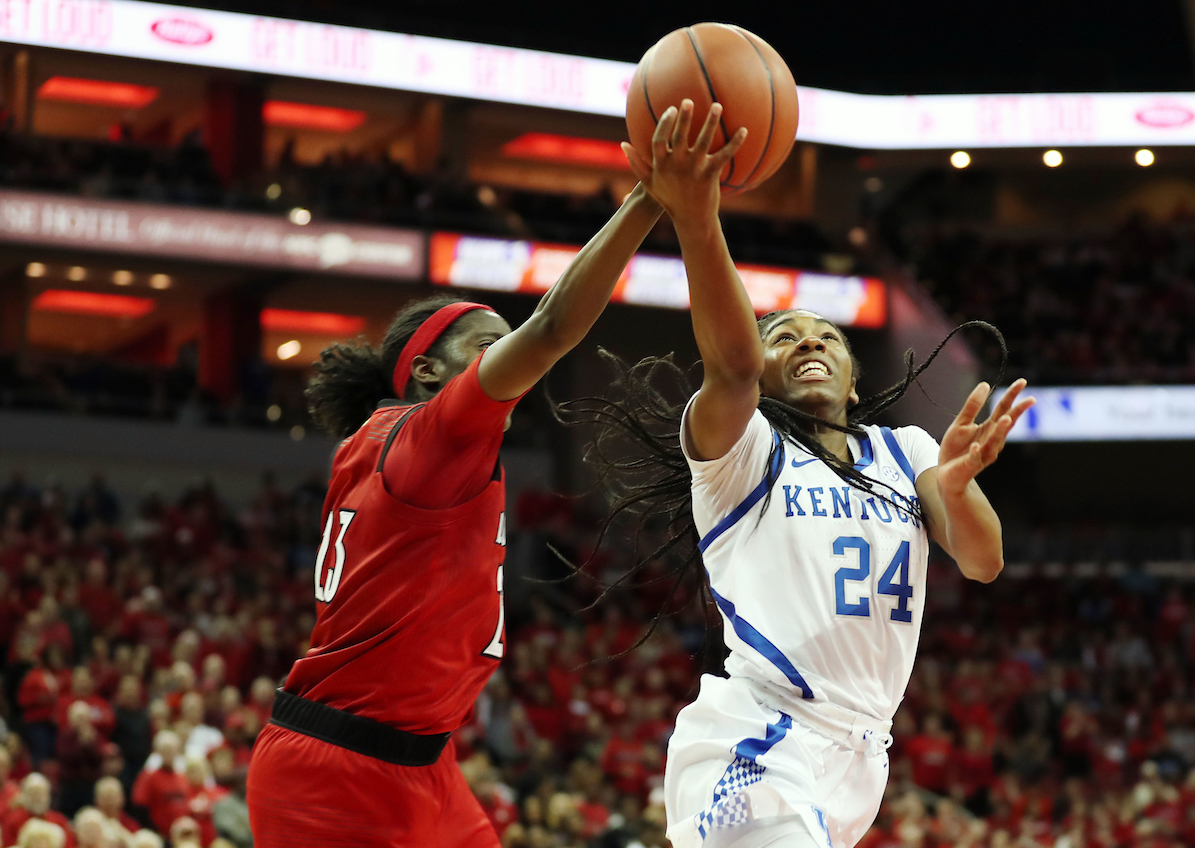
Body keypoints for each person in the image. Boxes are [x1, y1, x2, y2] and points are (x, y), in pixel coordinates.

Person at [565, 100, 1034, 848]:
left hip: (861, 758)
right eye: (784, 336)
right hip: (759, 736)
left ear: (853, 376)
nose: (809, 343)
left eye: (827, 338)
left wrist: (952, 489)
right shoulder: (742, 450)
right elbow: (730, 367)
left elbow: (983, 562)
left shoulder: (908, 452)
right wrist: (697, 217)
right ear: (763, 367)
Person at [246, 178, 695, 847]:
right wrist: (647, 200)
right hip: (339, 776)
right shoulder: (432, 439)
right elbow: (551, 329)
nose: (508, 358)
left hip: (423, 764)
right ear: (428, 371)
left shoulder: (384, 442)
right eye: (488, 345)